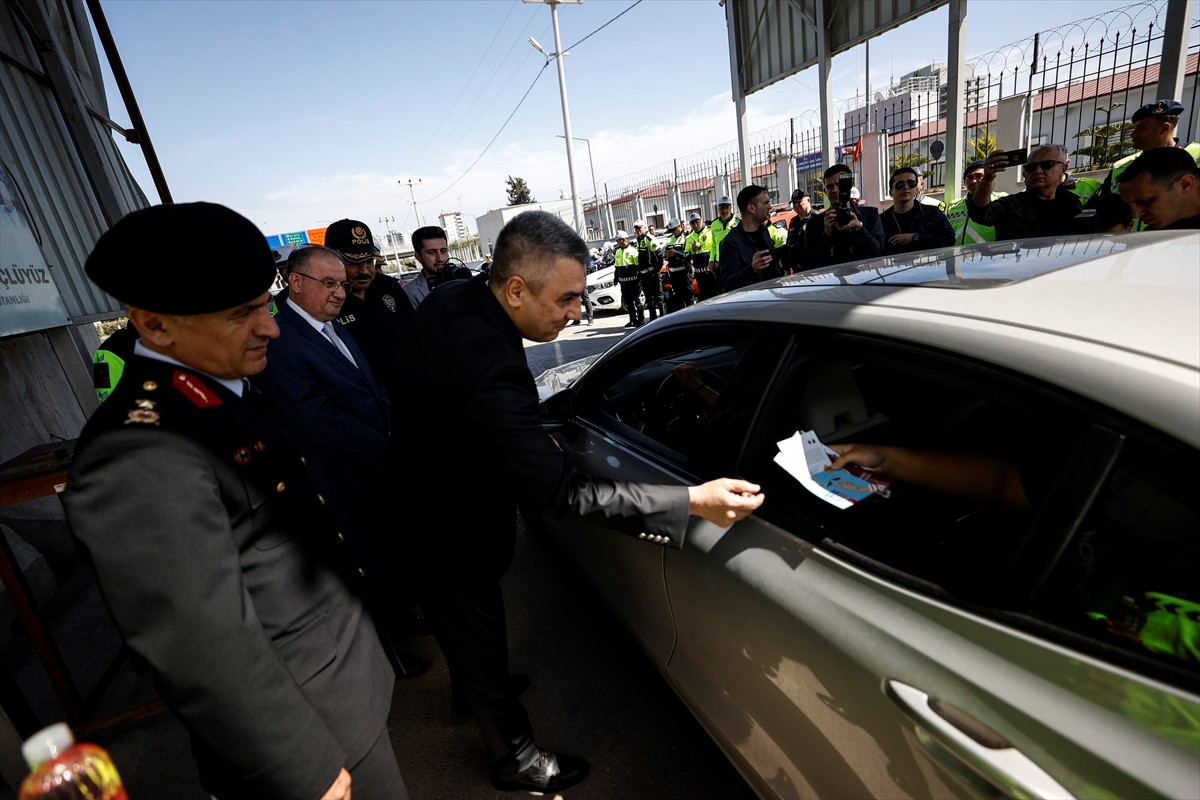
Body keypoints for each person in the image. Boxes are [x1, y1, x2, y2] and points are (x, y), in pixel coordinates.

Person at [382, 210, 764, 794]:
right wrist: (689, 500)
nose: (577, 313)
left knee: (467, 631)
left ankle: (475, 690)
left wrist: (510, 437)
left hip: (418, 489)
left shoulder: (454, 299)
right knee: (474, 623)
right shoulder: (491, 364)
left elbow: (457, 406)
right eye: (567, 299)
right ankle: (516, 757)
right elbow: (560, 491)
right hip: (448, 524)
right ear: (515, 288)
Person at [63, 202, 406, 800]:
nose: (270, 326)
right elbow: (201, 647)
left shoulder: (215, 389)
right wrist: (306, 769)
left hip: (339, 693)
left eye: (262, 305)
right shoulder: (138, 452)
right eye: (240, 315)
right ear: (156, 324)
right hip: (308, 739)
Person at [253, 245, 430, 679]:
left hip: (373, 461)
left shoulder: (333, 327)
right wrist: (383, 447)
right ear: (296, 283)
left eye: (342, 285)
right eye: (328, 284)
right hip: (340, 476)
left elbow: (370, 389)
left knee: (388, 550)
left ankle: (400, 617)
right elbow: (314, 417)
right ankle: (388, 658)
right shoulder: (282, 341)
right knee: (362, 564)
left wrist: (395, 429)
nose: (338, 293)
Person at [1089, 99, 1200, 228]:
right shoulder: (1121, 166)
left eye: (1142, 127)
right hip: (1133, 243)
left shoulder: (1197, 154)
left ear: (1164, 128)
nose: (1133, 134)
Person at [325, 218, 413, 378]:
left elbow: (414, 332)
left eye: (368, 261)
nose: (364, 271)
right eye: (354, 262)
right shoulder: (325, 300)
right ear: (332, 260)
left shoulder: (389, 287)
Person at [968, 145, 1088, 239]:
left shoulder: (1071, 203)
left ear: (1063, 169)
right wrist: (987, 178)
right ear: (1025, 174)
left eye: (1047, 164)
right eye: (1031, 167)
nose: (1038, 171)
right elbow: (981, 214)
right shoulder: (1011, 204)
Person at [807, 164, 884, 267]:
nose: (834, 190)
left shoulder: (870, 215)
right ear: (825, 190)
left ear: (851, 184)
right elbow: (810, 263)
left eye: (839, 185)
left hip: (864, 280)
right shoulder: (815, 224)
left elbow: (877, 253)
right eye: (830, 186)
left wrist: (859, 228)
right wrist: (826, 234)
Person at [1117, 146, 1200, 230]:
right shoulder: (1156, 233)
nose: (1135, 214)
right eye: (1128, 206)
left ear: (1185, 184)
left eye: (1144, 201)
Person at [719, 184, 784, 292]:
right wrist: (752, 269)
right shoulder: (730, 243)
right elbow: (727, 285)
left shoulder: (763, 231)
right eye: (766, 203)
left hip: (774, 297)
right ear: (751, 208)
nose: (770, 207)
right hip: (753, 305)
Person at [879, 168, 955, 256]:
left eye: (911, 183)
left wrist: (915, 238)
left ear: (916, 188)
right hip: (894, 268)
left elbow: (949, 240)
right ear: (891, 192)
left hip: (927, 267)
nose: (906, 187)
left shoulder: (933, 213)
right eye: (900, 184)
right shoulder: (882, 220)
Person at [942, 160, 1006, 246]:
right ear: (965, 182)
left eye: (979, 176)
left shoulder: (1001, 199)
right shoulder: (953, 205)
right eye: (970, 177)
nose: (974, 181)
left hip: (988, 257)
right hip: (958, 257)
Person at [633, 219, 664, 321]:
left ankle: (663, 319)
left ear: (644, 228)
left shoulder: (650, 239)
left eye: (639, 228)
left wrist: (655, 271)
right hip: (644, 275)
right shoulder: (638, 240)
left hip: (653, 274)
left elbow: (659, 258)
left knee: (659, 298)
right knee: (649, 299)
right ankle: (653, 319)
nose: (638, 230)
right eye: (636, 228)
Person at [662, 216, 694, 313]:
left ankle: (692, 317)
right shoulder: (669, 239)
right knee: (678, 299)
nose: (673, 232)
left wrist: (676, 253)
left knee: (688, 297)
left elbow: (689, 255)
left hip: (684, 273)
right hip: (673, 274)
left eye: (674, 229)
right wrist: (666, 255)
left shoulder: (687, 237)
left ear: (680, 226)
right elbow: (664, 254)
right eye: (671, 230)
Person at [613, 229, 643, 328]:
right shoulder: (617, 252)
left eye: (619, 240)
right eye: (617, 240)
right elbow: (617, 267)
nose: (617, 242)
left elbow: (638, 266)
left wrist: (639, 280)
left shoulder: (633, 251)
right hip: (624, 282)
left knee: (637, 301)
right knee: (629, 302)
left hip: (633, 281)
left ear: (625, 240)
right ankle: (633, 320)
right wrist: (616, 278)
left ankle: (641, 320)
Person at [785, 188, 820, 273]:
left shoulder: (817, 218)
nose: (796, 205)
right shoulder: (793, 222)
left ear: (808, 200)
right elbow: (789, 245)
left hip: (814, 269)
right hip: (797, 270)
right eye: (794, 203)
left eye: (799, 202)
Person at [685, 212, 717, 299]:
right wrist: (692, 250)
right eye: (692, 223)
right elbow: (685, 256)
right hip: (700, 274)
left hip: (711, 271)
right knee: (704, 297)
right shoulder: (689, 238)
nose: (695, 225)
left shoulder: (711, 231)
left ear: (701, 220)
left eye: (697, 222)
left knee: (716, 295)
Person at [709, 195, 738, 282]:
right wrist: (711, 261)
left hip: (736, 262)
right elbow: (714, 245)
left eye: (726, 207)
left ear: (731, 207)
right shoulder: (714, 224)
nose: (724, 211)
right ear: (718, 209)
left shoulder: (738, 222)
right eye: (722, 208)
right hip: (720, 264)